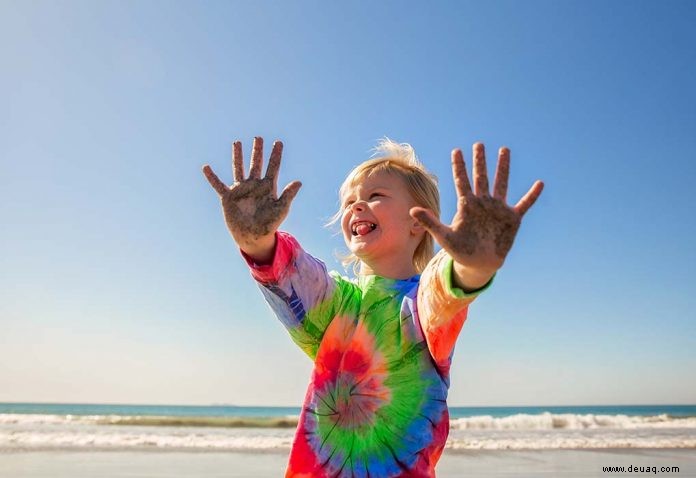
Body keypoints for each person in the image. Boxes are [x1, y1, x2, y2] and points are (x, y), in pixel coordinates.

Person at [202, 137, 543, 477]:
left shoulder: (419, 307)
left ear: (417, 222)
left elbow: (446, 290)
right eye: (349, 201)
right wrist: (256, 240)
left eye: (375, 196)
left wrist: (475, 264)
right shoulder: (338, 305)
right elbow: (290, 277)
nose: (357, 206)